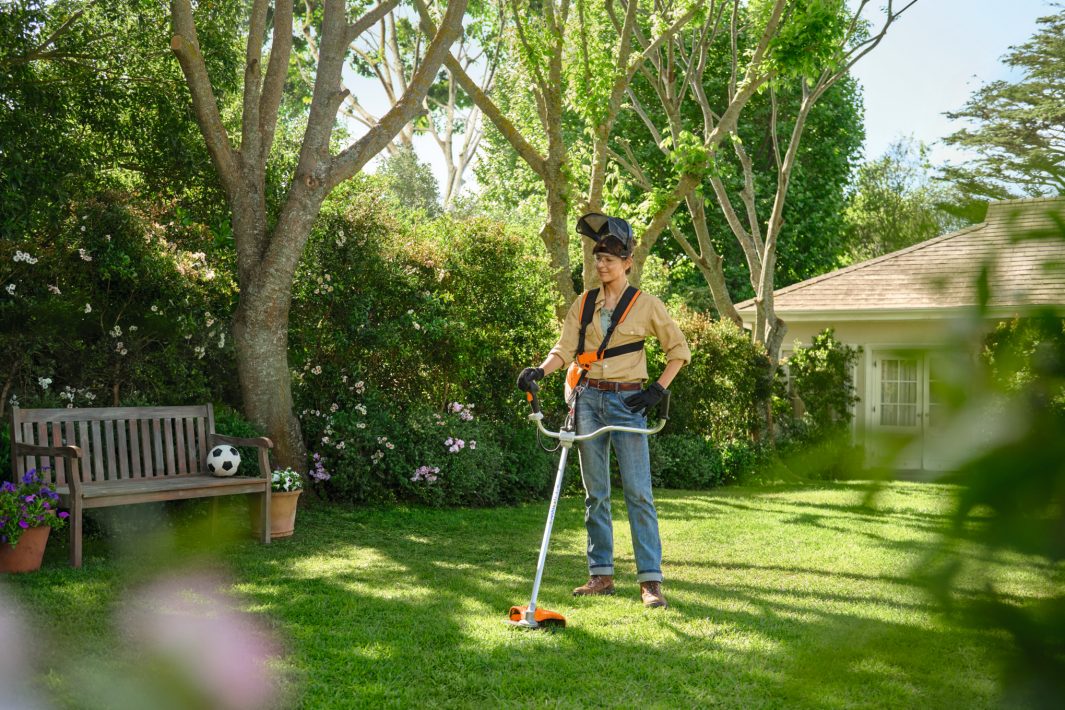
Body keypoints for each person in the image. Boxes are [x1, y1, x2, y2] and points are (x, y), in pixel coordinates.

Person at [517, 213, 691, 608]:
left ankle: (650, 582)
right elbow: (564, 350)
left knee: (638, 493)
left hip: (628, 403)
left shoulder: (647, 305)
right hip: (587, 401)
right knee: (596, 494)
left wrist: (656, 391)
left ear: (627, 262)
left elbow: (679, 352)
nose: (601, 266)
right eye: (597, 259)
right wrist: (540, 372)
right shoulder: (585, 302)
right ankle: (601, 575)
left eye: (610, 260)